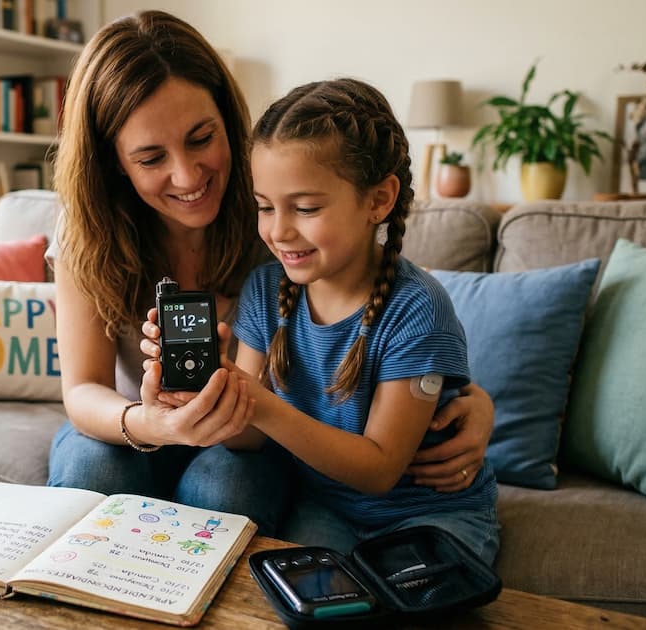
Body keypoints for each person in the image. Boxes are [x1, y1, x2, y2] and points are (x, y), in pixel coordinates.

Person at [47, 10, 495, 538]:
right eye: (150, 158)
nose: (188, 176)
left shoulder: (275, 211)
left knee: (226, 485)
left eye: (200, 138)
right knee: (90, 467)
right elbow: (82, 392)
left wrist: (477, 404)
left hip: (245, 443)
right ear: (115, 162)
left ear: (227, 120)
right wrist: (154, 422)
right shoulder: (92, 232)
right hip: (135, 426)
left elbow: (385, 324)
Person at [204, 78, 498, 562]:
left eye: (306, 207)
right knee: (291, 595)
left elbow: (380, 470)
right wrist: (222, 390)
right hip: (330, 507)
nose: (278, 230)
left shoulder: (417, 308)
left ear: (378, 200)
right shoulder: (263, 289)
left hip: (432, 513)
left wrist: (258, 402)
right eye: (264, 207)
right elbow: (250, 436)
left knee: (408, 602)